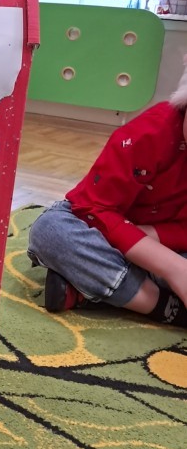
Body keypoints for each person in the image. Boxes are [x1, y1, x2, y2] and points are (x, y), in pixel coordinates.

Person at [28, 65, 187, 328]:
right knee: (51, 231)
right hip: (100, 227)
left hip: (158, 242)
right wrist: (174, 268)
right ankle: (165, 308)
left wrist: (149, 240)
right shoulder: (151, 132)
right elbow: (92, 208)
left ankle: (90, 288)